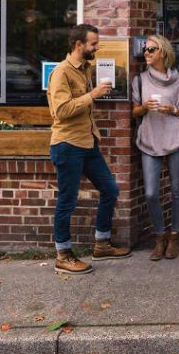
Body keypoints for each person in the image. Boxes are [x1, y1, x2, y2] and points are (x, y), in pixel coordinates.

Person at [46, 24, 131, 274]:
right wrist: (92, 95)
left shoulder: (84, 69)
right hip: (67, 144)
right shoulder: (61, 73)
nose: (97, 47)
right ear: (78, 45)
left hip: (87, 142)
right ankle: (63, 253)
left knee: (110, 189)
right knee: (67, 200)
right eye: (93, 43)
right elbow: (60, 111)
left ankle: (102, 244)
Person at [131, 35, 179, 260]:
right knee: (151, 193)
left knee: (177, 190)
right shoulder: (139, 80)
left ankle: (174, 236)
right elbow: (134, 111)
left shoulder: (178, 80)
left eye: (151, 49)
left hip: (175, 137)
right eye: (145, 49)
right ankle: (159, 236)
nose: (146, 52)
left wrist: (173, 109)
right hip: (149, 138)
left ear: (163, 53)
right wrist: (144, 107)